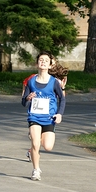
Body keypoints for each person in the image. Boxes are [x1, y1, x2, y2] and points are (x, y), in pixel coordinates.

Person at [21, 51, 66, 181]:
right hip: (34, 117)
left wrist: (59, 114)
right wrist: (28, 98)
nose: (43, 62)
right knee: (35, 144)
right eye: (41, 60)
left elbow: (62, 99)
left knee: (48, 146)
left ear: (50, 65)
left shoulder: (54, 82)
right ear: (37, 63)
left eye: (46, 60)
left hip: (49, 118)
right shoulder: (31, 81)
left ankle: (33, 148)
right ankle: (36, 170)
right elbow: (23, 102)